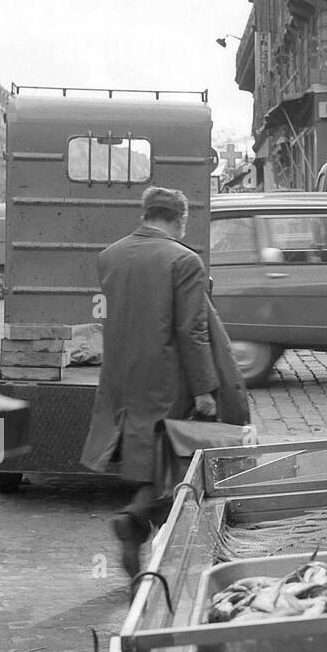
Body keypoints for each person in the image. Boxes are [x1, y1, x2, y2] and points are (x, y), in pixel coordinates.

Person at [80, 187, 219, 575]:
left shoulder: (110, 256)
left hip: (121, 376)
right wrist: (205, 387)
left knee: (150, 461)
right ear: (180, 219)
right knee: (175, 464)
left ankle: (144, 535)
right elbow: (192, 330)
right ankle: (136, 520)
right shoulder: (184, 260)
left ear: (145, 214)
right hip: (167, 380)